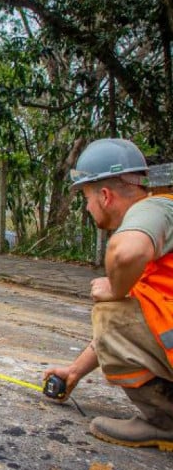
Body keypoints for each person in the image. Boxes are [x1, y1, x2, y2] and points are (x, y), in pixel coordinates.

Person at [44, 138, 173, 451]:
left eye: (86, 198)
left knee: (109, 308)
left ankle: (164, 422)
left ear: (104, 196)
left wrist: (115, 289)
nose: (87, 208)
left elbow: (125, 254)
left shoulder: (155, 208)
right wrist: (74, 371)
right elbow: (137, 322)